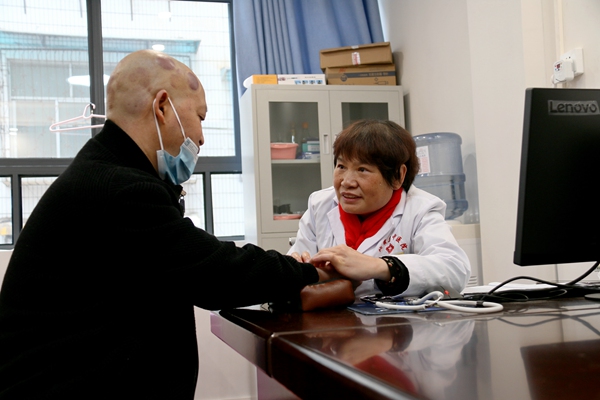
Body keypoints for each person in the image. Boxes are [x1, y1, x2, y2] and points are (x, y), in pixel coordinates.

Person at [0, 50, 338, 399]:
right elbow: (214, 272)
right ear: (162, 107)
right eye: (200, 117)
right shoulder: (120, 188)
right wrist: (314, 270)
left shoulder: (107, 171)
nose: (201, 138)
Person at [288, 119, 471, 298]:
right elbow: (300, 262)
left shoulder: (420, 210)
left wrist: (379, 267)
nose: (347, 182)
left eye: (362, 169)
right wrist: (296, 269)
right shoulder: (320, 205)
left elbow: (454, 269)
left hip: (395, 318)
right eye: (341, 166)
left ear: (398, 176)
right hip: (330, 315)